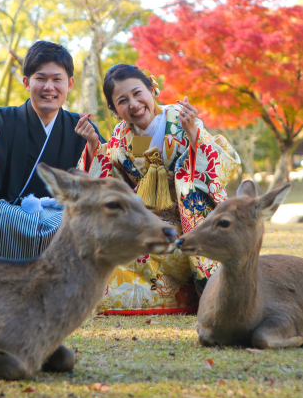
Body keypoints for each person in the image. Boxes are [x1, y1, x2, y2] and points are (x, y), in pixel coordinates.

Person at [75, 64, 241, 315]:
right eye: (122, 101)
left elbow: (224, 167)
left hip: (190, 224)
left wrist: (194, 134)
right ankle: (176, 292)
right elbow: (107, 184)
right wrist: (91, 146)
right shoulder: (121, 139)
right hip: (147, 228)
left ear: (152, 90)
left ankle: (203, 286)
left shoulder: (180, 119)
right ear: (114, 110)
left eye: (137, 93)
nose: (133, 104)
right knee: (104, 270)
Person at [0, 40, 102, 249]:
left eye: (57, 79)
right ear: (26, 82)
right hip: (6, 226)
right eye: (40, 78)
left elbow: (100, 182)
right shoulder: (1, 121)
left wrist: (92, 146)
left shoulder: (81, 128)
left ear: (69, 84)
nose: (49, 87)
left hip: (63, 225)